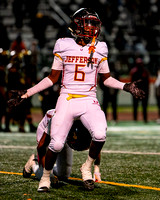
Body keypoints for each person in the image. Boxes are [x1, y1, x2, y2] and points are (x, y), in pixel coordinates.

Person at [19, 8, 144, 191]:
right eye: (89, 23)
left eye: (95, 23)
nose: (93, 27)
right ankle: (44, 177)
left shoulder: (100, 47)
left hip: (89, 98)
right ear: (77, 25)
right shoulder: (63, 44)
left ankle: (87, 166)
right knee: (58, 143)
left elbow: (106, 79)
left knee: (100, 134)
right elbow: (52, 78)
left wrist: (125, 86)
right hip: (68, 98)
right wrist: (27, 93)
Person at [23, 109, 101, 184]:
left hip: (66, 131)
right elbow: (41, 146)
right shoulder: (57, 122)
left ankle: (49, 168)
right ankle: (33, 163)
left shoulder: (86, 123)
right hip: (48, 130)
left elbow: (96, 144)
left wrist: (96, 169)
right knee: (47, 177)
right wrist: (48, 174)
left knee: (64, 174)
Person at [130, 58, 150, 123]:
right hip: (136, 92)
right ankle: (135, 119)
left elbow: (147, 83)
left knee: (144, 106)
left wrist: (147, 92)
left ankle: (145, 119)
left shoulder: (145, 72)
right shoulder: (134, 72)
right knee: (135, 106)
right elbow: (132, 83)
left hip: (144, 92)